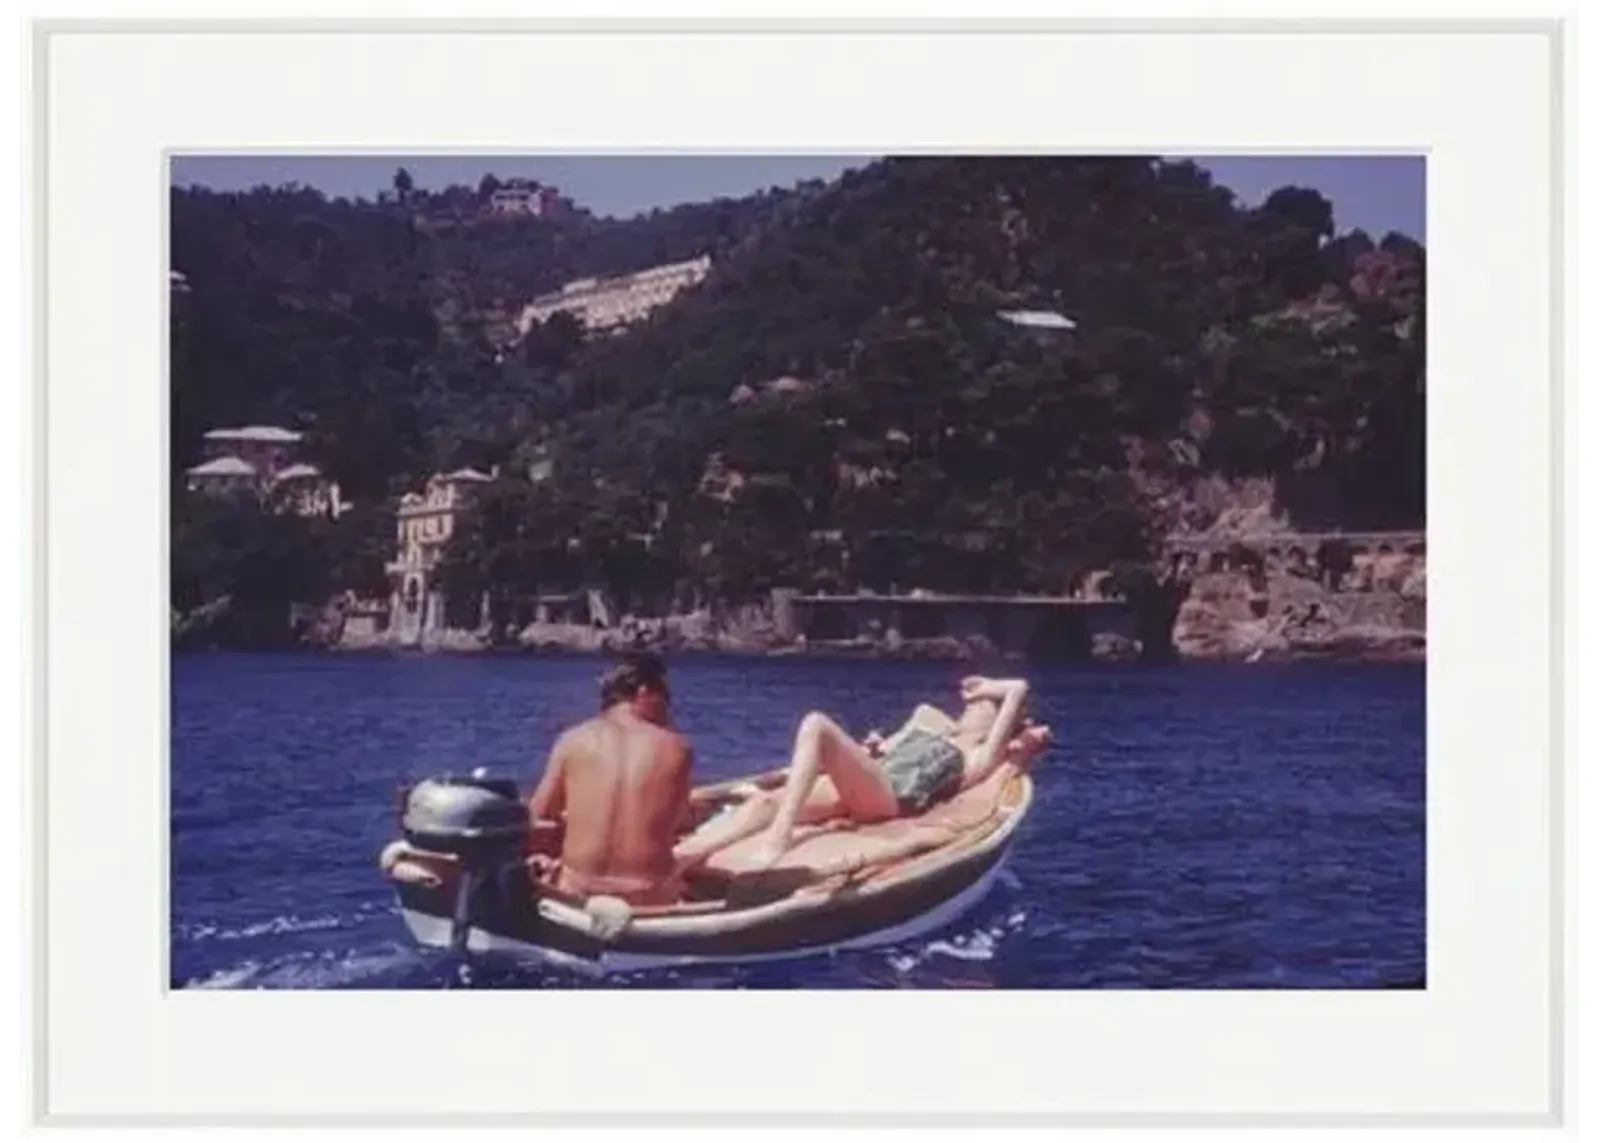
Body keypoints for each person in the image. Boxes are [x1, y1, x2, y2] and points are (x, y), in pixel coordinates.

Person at [674, 675, 1044, 873]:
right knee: (768, 801)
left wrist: (991, 688)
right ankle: (683, 859)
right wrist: (874, 750)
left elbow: (1019, 688)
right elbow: (884, 756)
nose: (970, 709)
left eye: (981, 707)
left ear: (996, 719)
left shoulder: (979, 754)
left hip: (888, 801)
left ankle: (779, 840)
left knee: (816, 724)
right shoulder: (933, 730)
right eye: (971, 705)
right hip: (867, 786)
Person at [525, 652, 695, 905]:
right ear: (644, 690)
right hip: (646, 895)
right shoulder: (676, 747)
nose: (668, 711)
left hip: (578, 890)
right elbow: (680, 823)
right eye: (665, 699)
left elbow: (537, 818)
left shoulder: (573, 739)